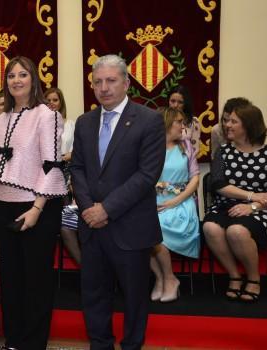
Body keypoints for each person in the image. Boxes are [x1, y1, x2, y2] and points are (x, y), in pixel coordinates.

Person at [70, 54, 165, 350]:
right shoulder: (85, 122)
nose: (104, 88)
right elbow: (78, 169)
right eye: (98, 82)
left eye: (111, 81)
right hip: (92, 226)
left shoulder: (148, 120)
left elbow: (147, 174)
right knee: (94, 296)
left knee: (134, 298)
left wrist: (106, 209)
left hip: (130, 226)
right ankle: (100, 345)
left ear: (126, 83)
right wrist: (88, 208)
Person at [0, 56, 68, 350]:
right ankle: (14, 341)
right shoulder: (1, 119)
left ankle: (33, 344)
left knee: (36, 282)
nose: (16, 80)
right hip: (2, 204)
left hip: (35, 207)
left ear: (34, 79)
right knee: (11, 279)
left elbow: (51, 166)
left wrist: (36, 209)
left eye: (23, 74)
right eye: (10, 76)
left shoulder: (47, 115)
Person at [203, 103, 267, 303]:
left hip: (263, 210)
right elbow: (218, 184)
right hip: (225, 205)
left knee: (237, 231)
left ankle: (253, 278)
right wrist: (251, 196)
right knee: (209, 228)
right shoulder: (223, 152)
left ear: (249, 125)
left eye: (233, 121)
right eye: (226, 121)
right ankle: (234, 275)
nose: (227, 125)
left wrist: (252, 206)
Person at [150, 107, 200, 303]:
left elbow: (195, 179)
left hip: (182, 203)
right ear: (167, 123)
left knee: (156, 230)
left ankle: (170, 278)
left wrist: (175, 201)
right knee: (138, 228)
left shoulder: (186, 146)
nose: (183, 126)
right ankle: (160, 278)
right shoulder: (150, 148)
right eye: (178, 122)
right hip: (153, 202)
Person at [45, 87, 80, 264]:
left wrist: (65, 157)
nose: (52, 103)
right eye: (48, 100)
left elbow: (78, 150)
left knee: (65, 214)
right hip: (45, 171)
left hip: (66, 169)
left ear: (61, 103)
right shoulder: (40, 123)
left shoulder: (70, 124)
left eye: (55, 100)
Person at [168, 85, 201, 152]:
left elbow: (195, 149)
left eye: (180, 102)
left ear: (185, 103)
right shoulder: (161, 119)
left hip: (186, 159)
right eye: (173, 101)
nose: (175, 105)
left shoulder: (193, 121)